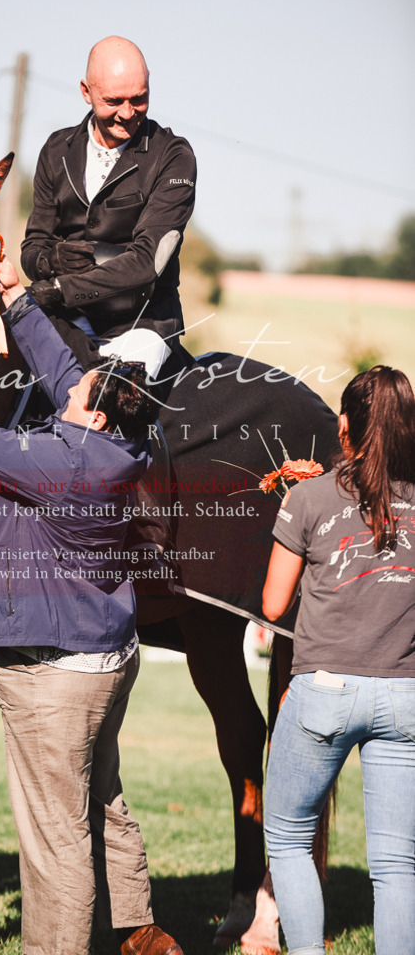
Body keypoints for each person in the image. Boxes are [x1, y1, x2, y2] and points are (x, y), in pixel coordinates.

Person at [0, 253, 184, 955]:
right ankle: (137, 925)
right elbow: (62, 374)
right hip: (103, 659)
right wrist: (16, 300)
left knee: (55, 839)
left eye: (80, 393)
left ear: (96, 415)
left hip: (54, 676)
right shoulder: (123, 441)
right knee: (101, 794)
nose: (68, 388)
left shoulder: (67, 463)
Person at [261, 365, 415, 955]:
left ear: (344, 425)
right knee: (397, 864)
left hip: (323, 692)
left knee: (289, 840)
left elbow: (273, 604)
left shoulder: (309, 496)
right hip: (404, 696)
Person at [21, 35, 196, 375]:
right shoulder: (55, 150)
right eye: (114, 101)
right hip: (65, 319)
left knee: (106, 401)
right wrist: (50, 261)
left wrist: (61, 289)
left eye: (139, 99)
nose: (127, 113)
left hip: (141, 324)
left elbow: (148, 261)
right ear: (86, 92)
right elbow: (33, 247)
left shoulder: (174, 156)